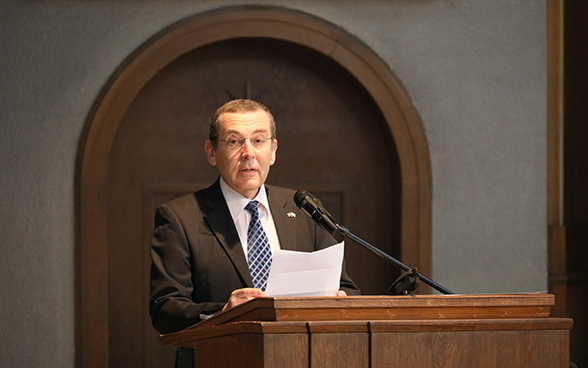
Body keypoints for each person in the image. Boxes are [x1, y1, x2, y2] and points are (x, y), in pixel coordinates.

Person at [149, 99, 360, 334]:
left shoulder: (304, 209)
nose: (248, 153)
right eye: (234, 142)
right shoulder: (179, 218)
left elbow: (346, 289)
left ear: (273, 151)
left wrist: (340, 300)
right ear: (211, 152)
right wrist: (224, 312)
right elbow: (165, 309)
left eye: (258, 141)